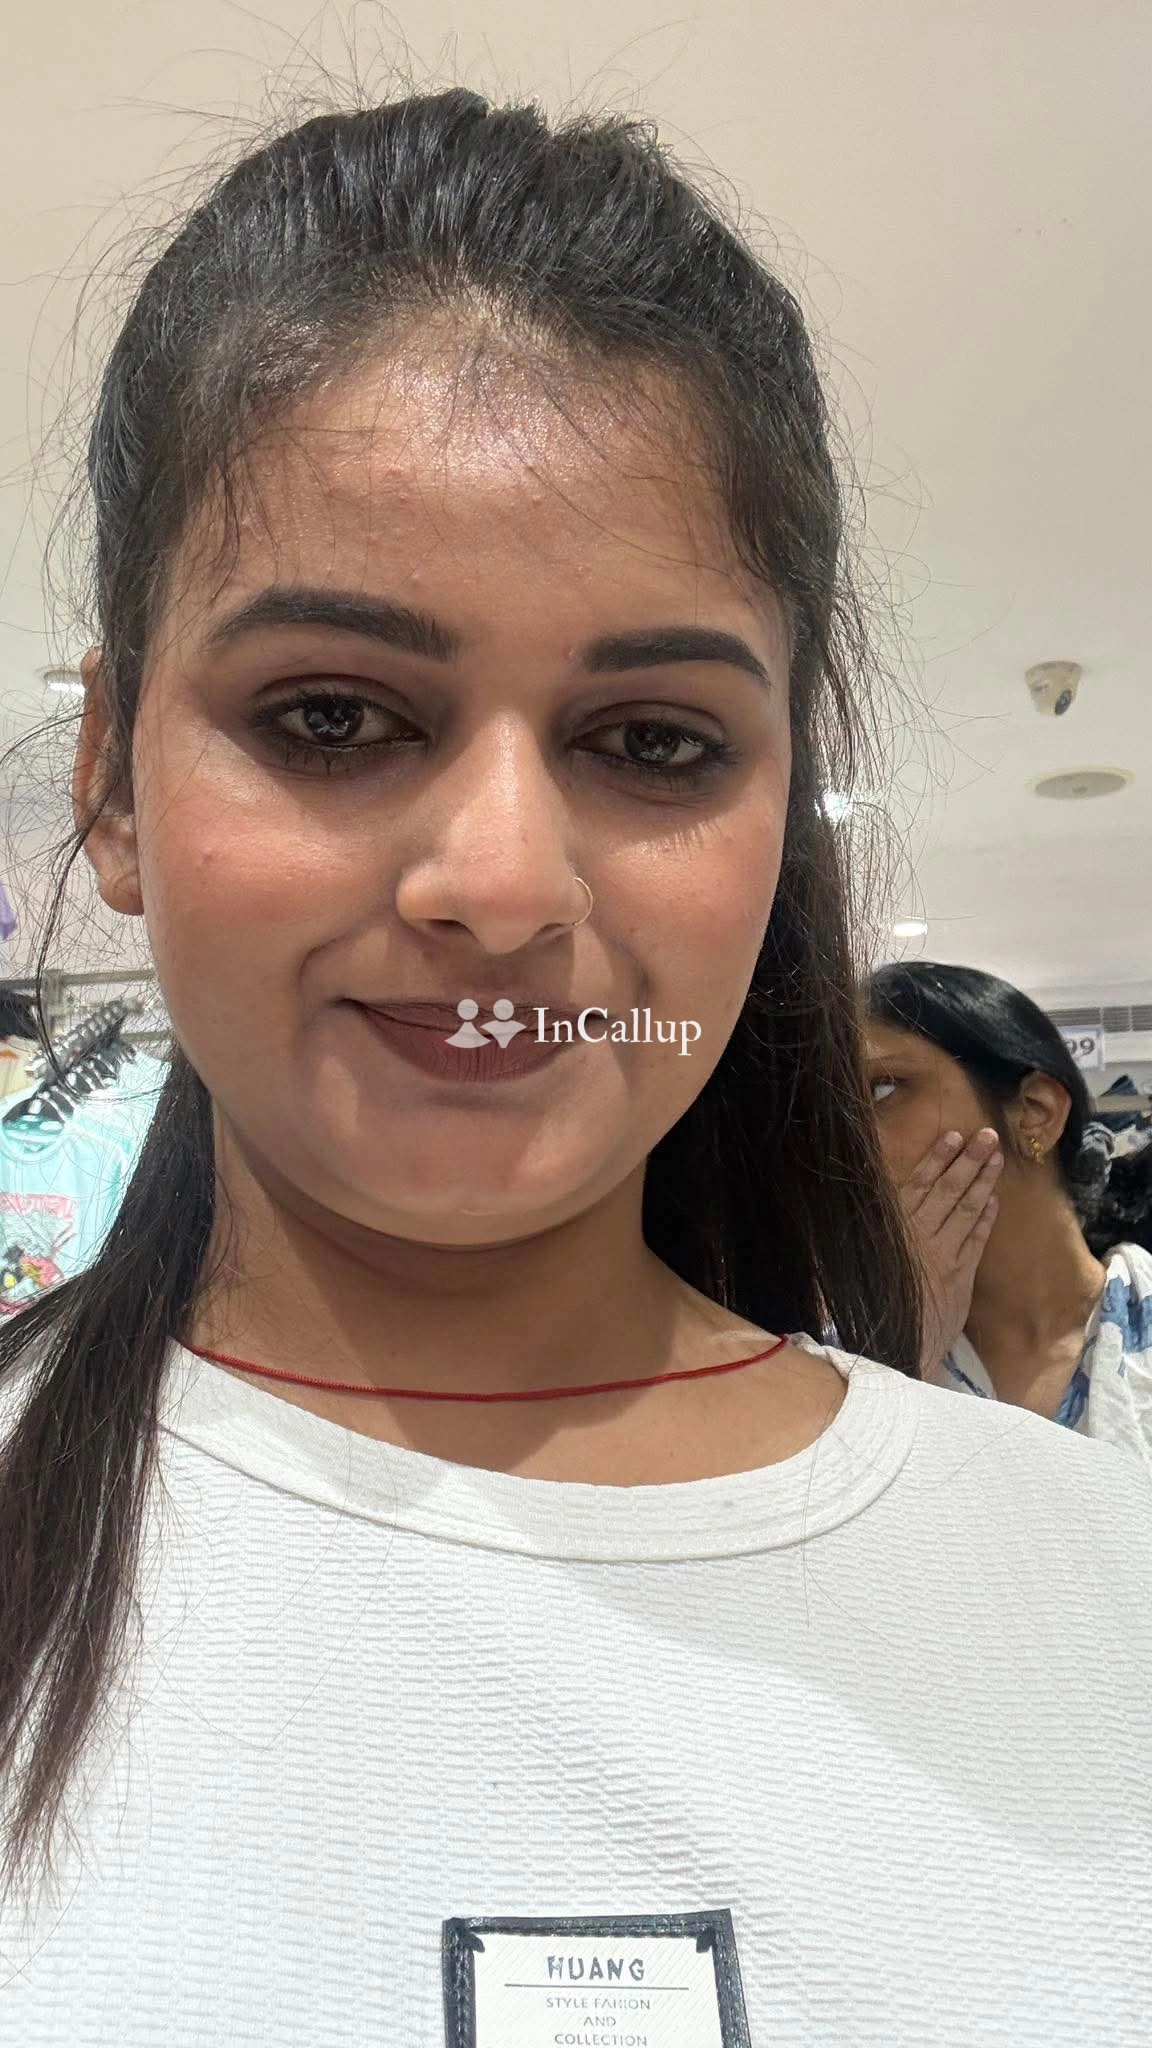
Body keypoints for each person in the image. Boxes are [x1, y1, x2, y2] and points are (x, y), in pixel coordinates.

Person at [1, 91, 1151, 2047]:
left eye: (652, 742)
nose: (505, 883)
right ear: (111, 780)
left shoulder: (1093, 1583)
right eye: (334, 713)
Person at [865, 959, 1152, 1460]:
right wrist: (907, 1350)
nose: (840, 1142)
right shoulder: (837, 1365)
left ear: (1036, 1111)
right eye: (825, 1113)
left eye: (882, 1090)